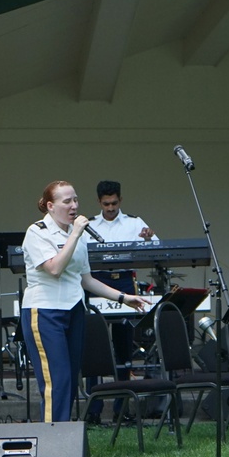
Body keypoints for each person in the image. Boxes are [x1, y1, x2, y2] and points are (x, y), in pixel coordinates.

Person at [20, 181, 147, 423]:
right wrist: (76, 233)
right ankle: (52, 439)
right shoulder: (38, 232)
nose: (74, 206)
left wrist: (123, 297)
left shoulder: (75, 235)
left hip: (73, 309)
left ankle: (63, 433)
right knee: (56, 380)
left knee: (69, 376)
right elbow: (55, 268)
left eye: (75, 200)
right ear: (50, 206)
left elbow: (86, 280)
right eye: (66, 201)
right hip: (45, 311)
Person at [85, 180, 158, 424]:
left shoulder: (135, 223)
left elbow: (157, 247)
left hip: (125, 280)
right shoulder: (89, 226)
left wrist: (148, 238)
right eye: (106, 204)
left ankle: (121, 408)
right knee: (94, 345)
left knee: (124, 346)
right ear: (99, 202)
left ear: (120, 200)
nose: (110, 208)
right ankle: (93, 410)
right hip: (97, 281)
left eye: (114, 203)